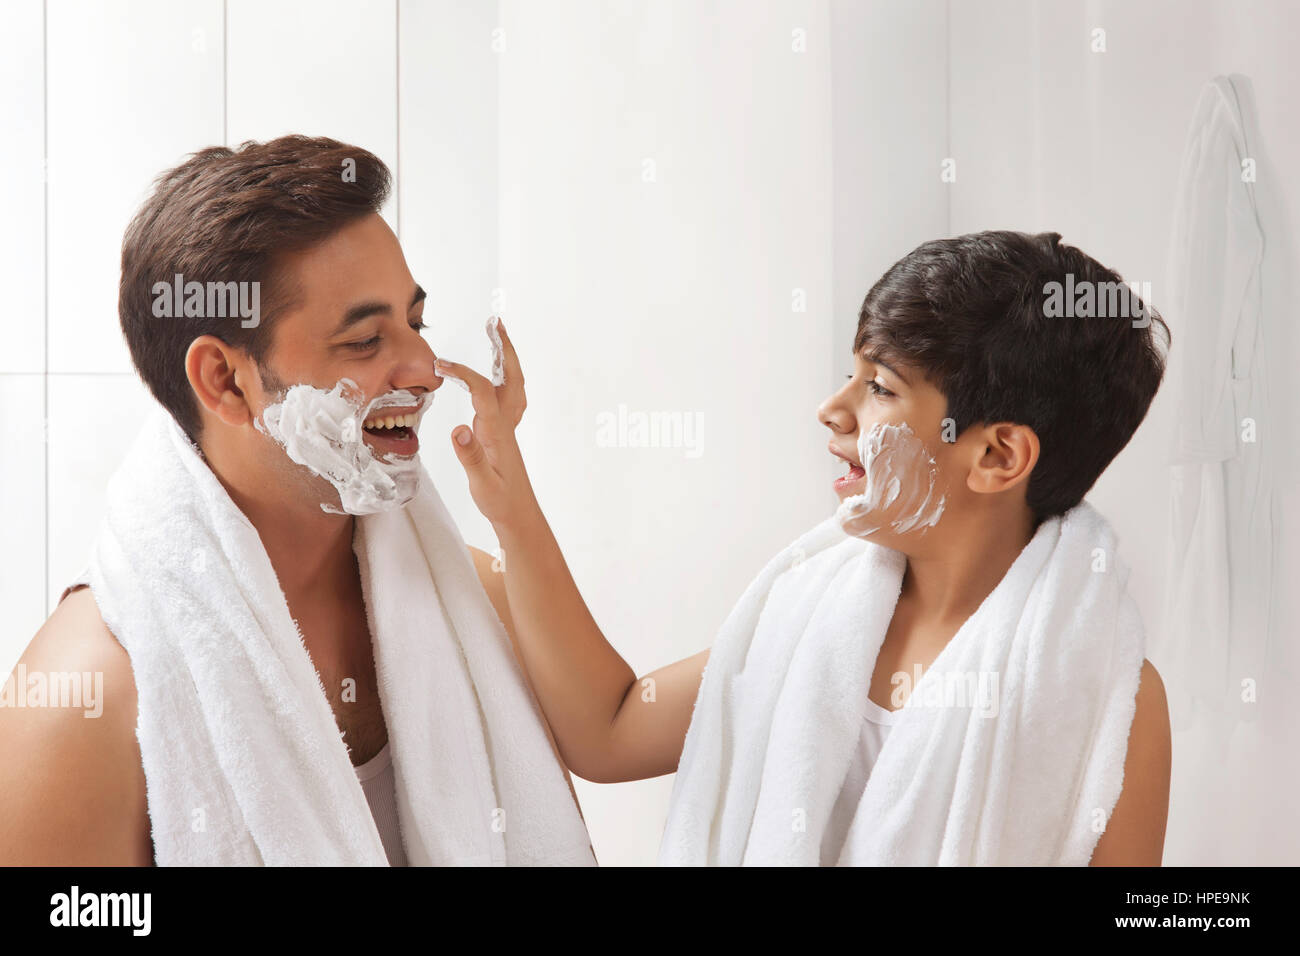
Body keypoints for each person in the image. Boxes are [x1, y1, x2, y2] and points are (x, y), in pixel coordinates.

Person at [434, 230, 1174, 865]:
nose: (832, 408)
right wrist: (512, 513)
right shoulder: (807, 614)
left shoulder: (1105, 695)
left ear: (997, 456)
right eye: (851, 374)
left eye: (878, 386)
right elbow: (609, 730)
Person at [0, 136, 591, 866]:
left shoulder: (478, 605)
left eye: (417, 323)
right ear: (225, 381)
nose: (427, 371)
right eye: (367, 339)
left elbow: (626, 726)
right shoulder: (82, 698)